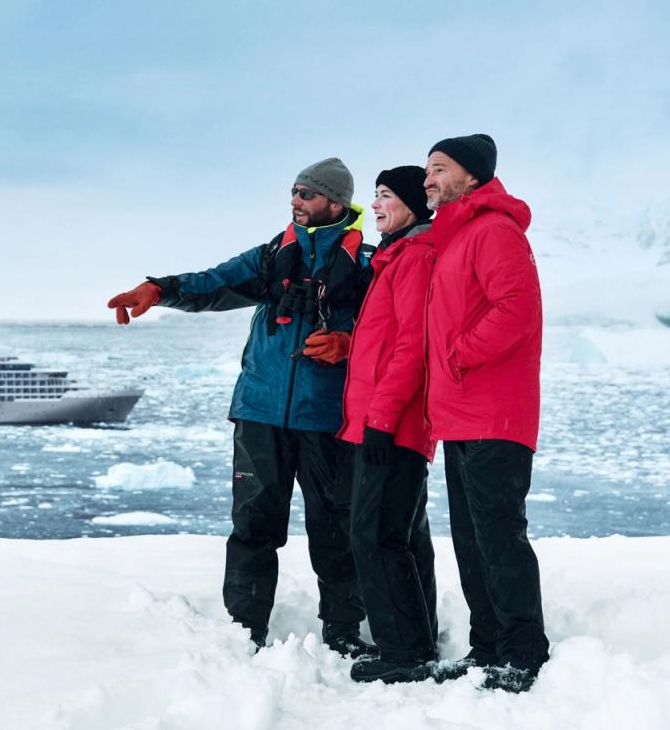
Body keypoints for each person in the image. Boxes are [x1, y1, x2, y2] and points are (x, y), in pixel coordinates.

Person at [107, 158, 375, 656]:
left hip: (329, 417)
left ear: (335, 204)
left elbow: (392, 330)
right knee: (253, 525)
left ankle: (342, 632)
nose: (295, 201)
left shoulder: (365, 266)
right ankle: (243, 630)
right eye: (293, 192)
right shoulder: (274, 256)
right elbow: (213, 282)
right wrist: (159, 289)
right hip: (260, 410)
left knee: (336, 527)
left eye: (307, 194)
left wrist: (348, 342)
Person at [420, 134, 548, 693]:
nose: (428, 180)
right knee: (472, 539)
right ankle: (489, 648)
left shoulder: (493, 231)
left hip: (494, 412)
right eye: (427, 170)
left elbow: (517, 309)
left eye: (439, 169)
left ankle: (523, 655)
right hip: (461, 414)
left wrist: (458, 353)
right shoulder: (456, 237)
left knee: (498, 536)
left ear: (471, 177)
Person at [338, 166, 440, 684]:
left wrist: (379, 419)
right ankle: (416, 641)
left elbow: (411, 348)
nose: (375, 205)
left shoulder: (415, 257)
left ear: (412, 205)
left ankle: (405, 653)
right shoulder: (395, 256)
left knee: (375, 534)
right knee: (398, 533)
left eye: (385, 196)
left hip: (393, 421)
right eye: (374, 196)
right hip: (384, 420)